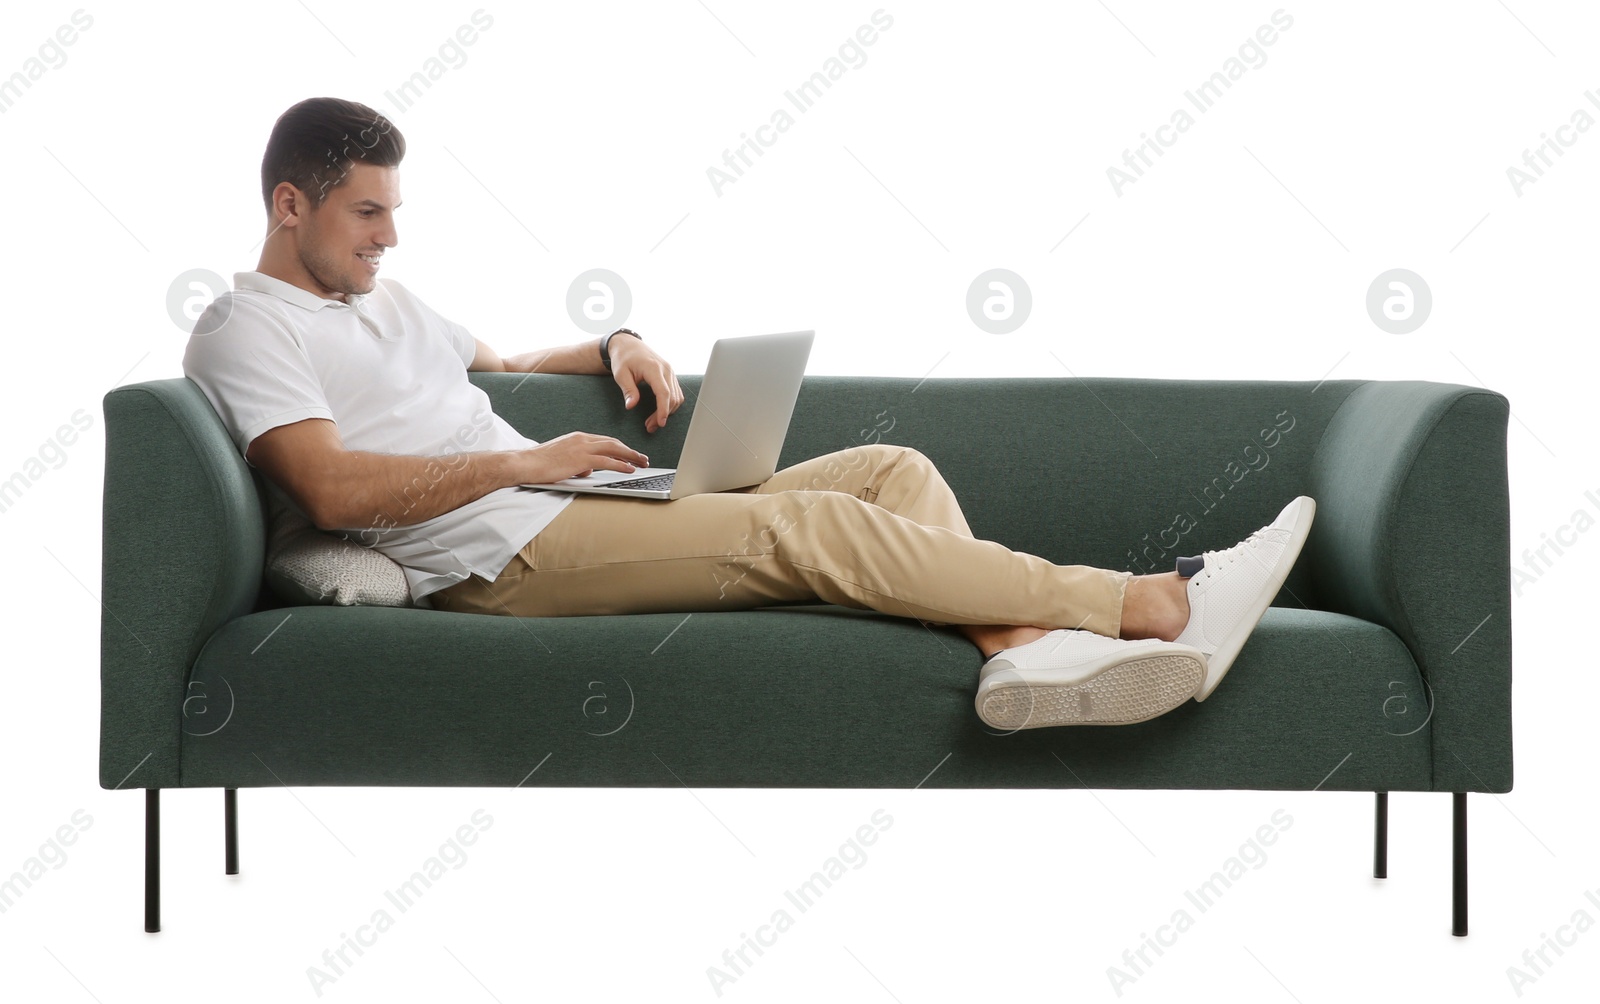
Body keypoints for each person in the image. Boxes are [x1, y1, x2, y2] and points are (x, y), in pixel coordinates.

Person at [184, 97, 1316, 733]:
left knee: (888, 471)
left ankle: (1014, 653)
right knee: (803, 529)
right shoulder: (250, 331)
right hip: (499, 557)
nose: (388, 235)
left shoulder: (389, 300)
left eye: (394, 210)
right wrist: (527, 463)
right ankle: (1147, 602)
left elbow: (508, 357)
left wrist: (615, 340)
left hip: (558, 502)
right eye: (366, 213)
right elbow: (330, 487)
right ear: (290, 206)